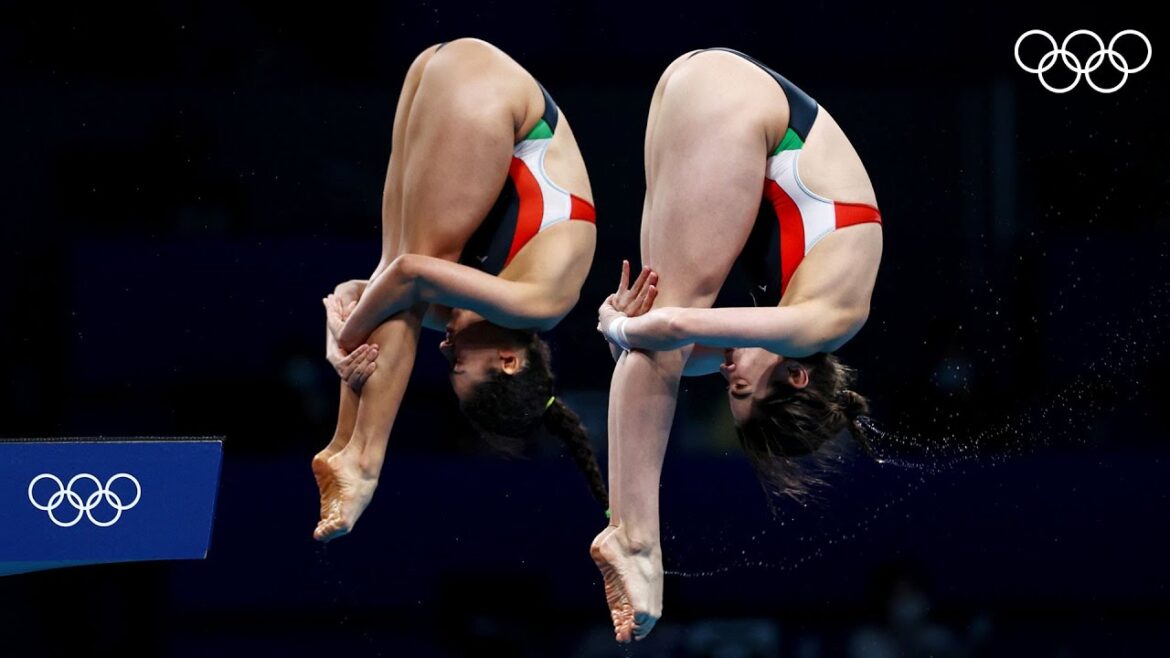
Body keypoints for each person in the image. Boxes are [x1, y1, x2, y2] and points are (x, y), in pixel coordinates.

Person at [593, 47, 884, 642]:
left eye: (729, 386)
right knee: (661, 333)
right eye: (742, 385)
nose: (729, 371)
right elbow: (672, 332)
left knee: (655, 336)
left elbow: (668, 346)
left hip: (702, 85)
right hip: (736, 103)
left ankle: (628, 529)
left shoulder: (799, 326)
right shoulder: (825, 322)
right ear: (797, 377)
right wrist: (614, 328)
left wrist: (628, 335)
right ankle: (639, 540)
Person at [313, 38, 605, 543]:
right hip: (496, 92)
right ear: (510, 361)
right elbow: (406, 277)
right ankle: (364, 457)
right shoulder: (544, 300)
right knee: (414, 272)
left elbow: (369, 287)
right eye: (457, 364)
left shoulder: (468, 308)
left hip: (439, 71)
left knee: (398, 272)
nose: (444, 347)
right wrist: (344, 345)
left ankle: (342, 442)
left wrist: (342, 324)